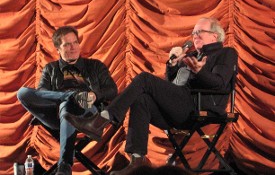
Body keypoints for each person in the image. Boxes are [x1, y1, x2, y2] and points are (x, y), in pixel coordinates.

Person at [64, 17, 238, 175]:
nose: (194, 36)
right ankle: (136, 162)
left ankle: (101, 120)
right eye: (193, 33)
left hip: (197, 106)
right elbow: (171, 85)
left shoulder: (226, 53)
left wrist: (200, 72)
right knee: (141, 99)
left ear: (215, 36)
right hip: (178, 106)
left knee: (145, 79)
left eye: (199, 32)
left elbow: (220, 83)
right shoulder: (191, 55)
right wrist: (173, 64)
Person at [17, 26, 117, 175]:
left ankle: (64, 166)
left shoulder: (95, 66)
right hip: (56, 115)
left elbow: (112, 90)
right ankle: (69, 96)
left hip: (88, 115)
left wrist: (94, 95)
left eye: (75, 42)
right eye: (67, 44)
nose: (73, 47)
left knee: (68, 105)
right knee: (22, 92)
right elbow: (42, 93)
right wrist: (66, 96)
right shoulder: (50, 69)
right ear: (58, 49)